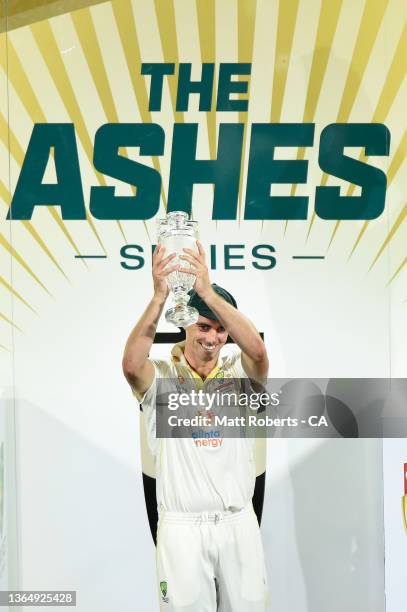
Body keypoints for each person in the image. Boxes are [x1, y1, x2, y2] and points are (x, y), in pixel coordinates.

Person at [123, 240, 269, 611]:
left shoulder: (240, 372)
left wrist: (205, 290)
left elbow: (258, 352)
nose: (212, 338)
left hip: (238, 523)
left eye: (221, 330)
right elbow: (129, 365)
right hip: (181, 528)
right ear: (187, 324)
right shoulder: (161, 378)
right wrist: (159, 298)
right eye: (204, 325)